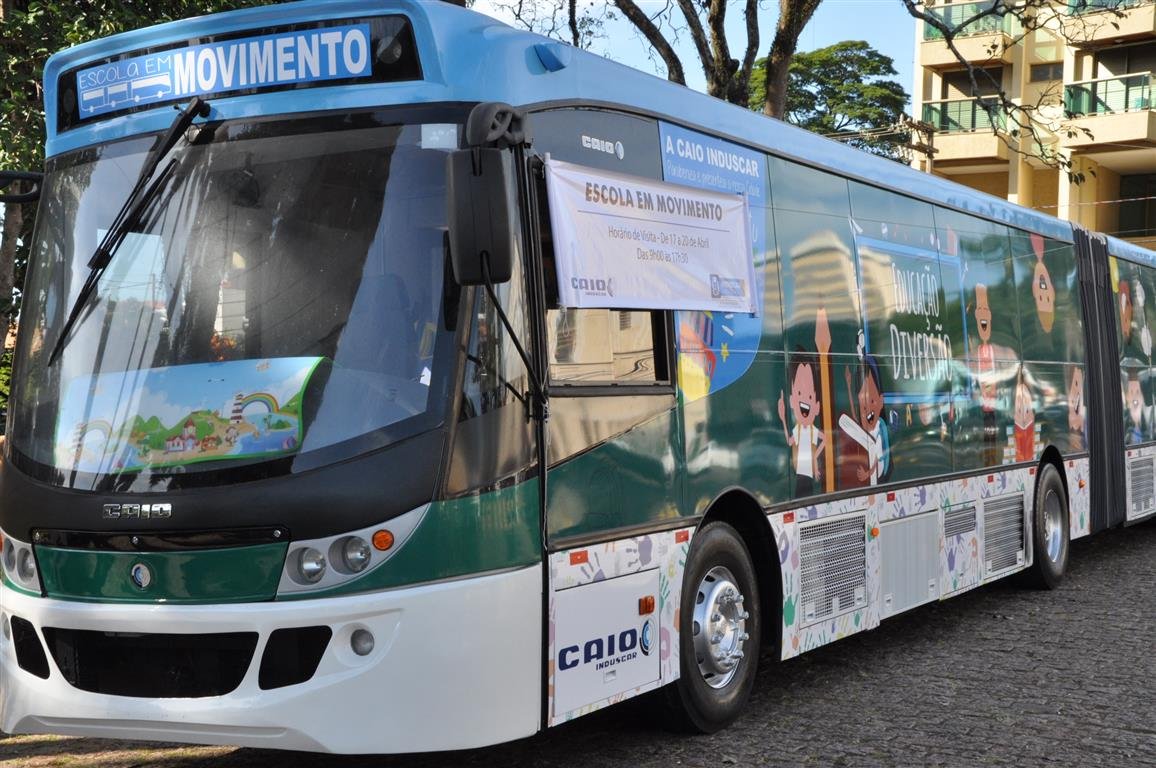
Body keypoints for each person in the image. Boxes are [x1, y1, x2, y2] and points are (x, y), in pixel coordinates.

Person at [778, 348, 824, 497]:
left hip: (809, 472)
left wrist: (815, 458)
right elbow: (790, 441)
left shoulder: (811, 430)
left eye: (810, 396)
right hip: (800, 473)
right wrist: (784, 419)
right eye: (799, 393)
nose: (805, 401)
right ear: (792, 400)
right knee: (801, 495)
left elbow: (825, 439)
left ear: (816, 406)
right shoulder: (798, 429)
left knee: (807, 495)